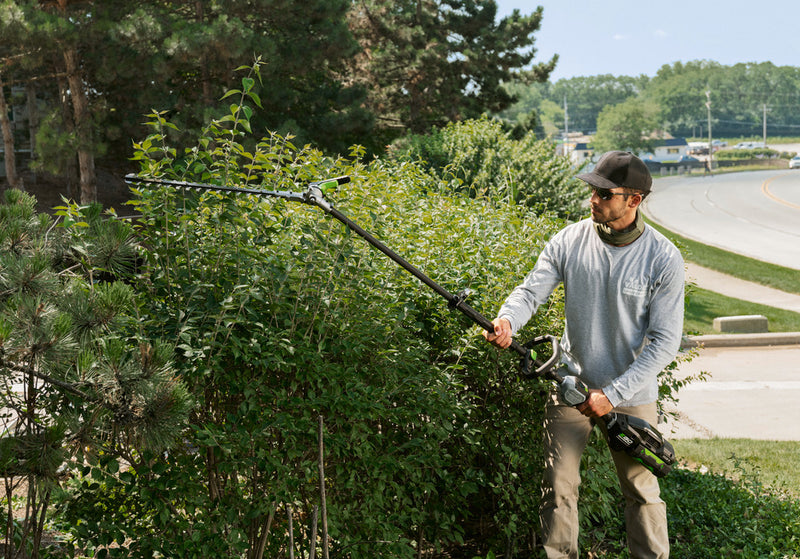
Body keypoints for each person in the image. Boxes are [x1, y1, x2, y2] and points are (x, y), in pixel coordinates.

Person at [483, 151, 684, 559]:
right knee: (558, 486)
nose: (593, 200)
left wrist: (613, 393)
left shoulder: (663, 258)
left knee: (641, 491)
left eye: (605, 194)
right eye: (592, 191)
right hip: (569, 384)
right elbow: (530, 291)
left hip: (631, 396)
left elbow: (664, 341)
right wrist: (507, 320)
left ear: (634, 200)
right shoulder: (570, 240)